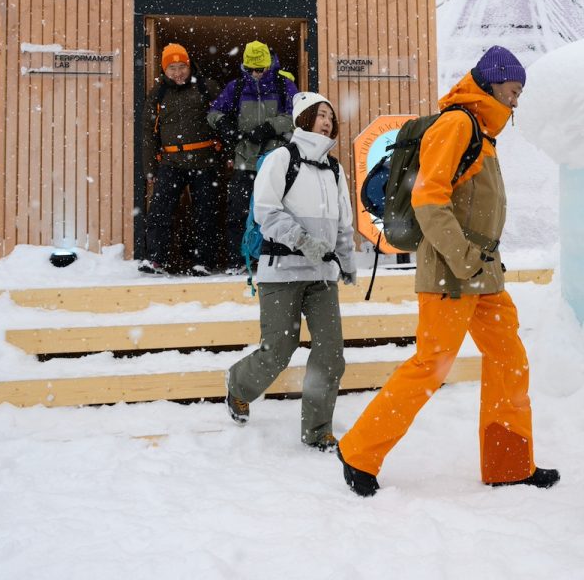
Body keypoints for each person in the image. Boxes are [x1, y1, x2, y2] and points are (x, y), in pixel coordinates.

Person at [337, 45, 559, 496]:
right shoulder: (458, 123)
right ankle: (359, 452)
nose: (516, 101)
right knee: (430, 366)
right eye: (513, 91)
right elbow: (428, 198)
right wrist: (462, 258)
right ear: (494, 85)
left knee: (508, 360)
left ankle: (509, 464)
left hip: (483, 273)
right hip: (452, 272)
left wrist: (481, 261)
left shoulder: (484, 132)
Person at [224, 91, 356, 452]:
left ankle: (317, 431)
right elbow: (266, 212)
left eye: (331, 115)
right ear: (303, 118)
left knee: (331, 355)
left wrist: (346, 259)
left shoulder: (335, 168)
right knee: (279, 350)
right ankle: (239, 385)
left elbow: (343, 222)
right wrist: (303, 241)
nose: (327, 121)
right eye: (321, 114)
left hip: (322, 275)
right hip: (281, 271)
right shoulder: (283, 158)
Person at [207, 40, 299, 273]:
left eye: (261, 69)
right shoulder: (236, 88)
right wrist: (225, 125)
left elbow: (298, 115)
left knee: (278, 213)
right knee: (238, 213)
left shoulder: (284, 86)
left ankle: (276, 260)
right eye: (251, 70)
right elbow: (213, 113)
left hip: (275, 161)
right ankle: (238, 261)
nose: (256, 74)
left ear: (269, 66)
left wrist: (270, 127)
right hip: (244, 161)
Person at [140, 43, 222, 276]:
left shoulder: (207, 87)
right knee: (159, 212)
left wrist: (225, 154)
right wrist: (150, 167)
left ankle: (203, 262)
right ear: (164, 70)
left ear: (189, 65)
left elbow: (224, 120)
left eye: (182, 67)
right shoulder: (158, 93)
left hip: (204, 161)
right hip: (170, 162)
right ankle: (156, 260)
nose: (178, 73)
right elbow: (148, 131)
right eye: (172, 68)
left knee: (205, 213)